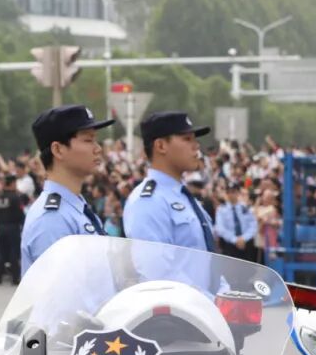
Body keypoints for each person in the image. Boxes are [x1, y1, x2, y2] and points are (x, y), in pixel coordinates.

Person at [20, 105, 113, 275]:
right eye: (88, 140)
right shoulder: (52, 218)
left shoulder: (74, 206)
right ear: (58, 149)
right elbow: (59, 290)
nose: (97, 148)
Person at [123, 112, 215, 252]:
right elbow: (153, 264)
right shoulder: (149, 201)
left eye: (194, 139)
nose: (196, 146)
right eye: (187, 139)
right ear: (161, 146)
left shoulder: (182, 195)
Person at [0, 174, 27, 284]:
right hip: (13, 228)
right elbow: (20, 214)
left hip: (1, 227)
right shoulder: (15, 197)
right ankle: (15, 277)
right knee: (14, 253)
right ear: (12, 184)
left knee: (1, 253)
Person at [214, 182, 258, 263]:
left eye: (234, 192)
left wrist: (244, 238)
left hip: (246, 244)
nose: (231, 194)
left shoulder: (245, 207)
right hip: (229, 245)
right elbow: (220, 228)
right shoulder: (221, 209)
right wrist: (235, 240)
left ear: (238, 193)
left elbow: (253, 225)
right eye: (229, 192)